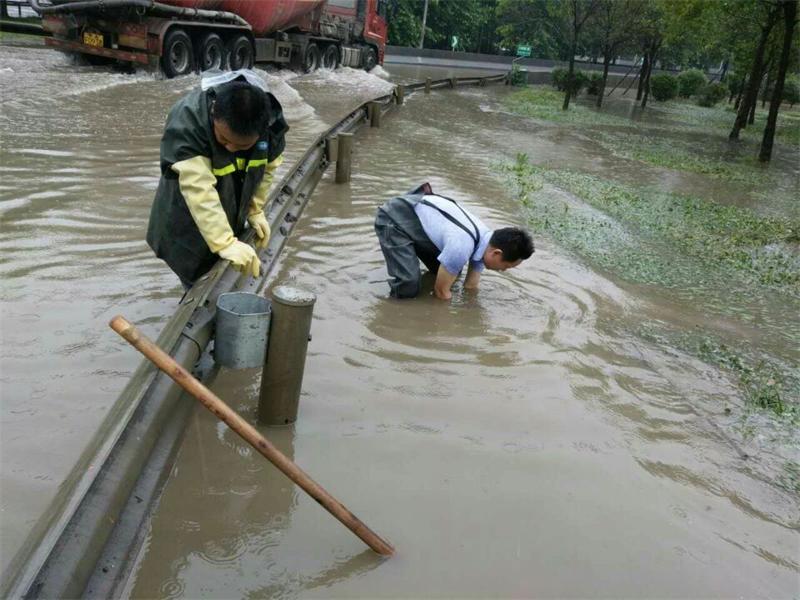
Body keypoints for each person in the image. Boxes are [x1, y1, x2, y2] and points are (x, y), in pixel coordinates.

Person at [147, 70, 288, 289]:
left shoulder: (272, 126)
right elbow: (199, 190)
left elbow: (267, 169)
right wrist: (224, 242)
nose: (230, 148)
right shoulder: (189, 121)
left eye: (241, 147)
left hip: (229, 203)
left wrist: (254, 209)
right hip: (185, 217)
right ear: (214, 112)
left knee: (220, 270)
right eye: (222, 139)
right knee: (195, 278)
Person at [374, 183, 534, 300]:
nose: (504, 270)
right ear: (496, 253)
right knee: (409, 285)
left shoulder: (486, 241)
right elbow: (441, 293)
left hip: (420, 222)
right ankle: (393, 309)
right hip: (395, 218)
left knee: (453, 272)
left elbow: (471, 286)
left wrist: (472, 307)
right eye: (506, 266)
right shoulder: (462, 247)